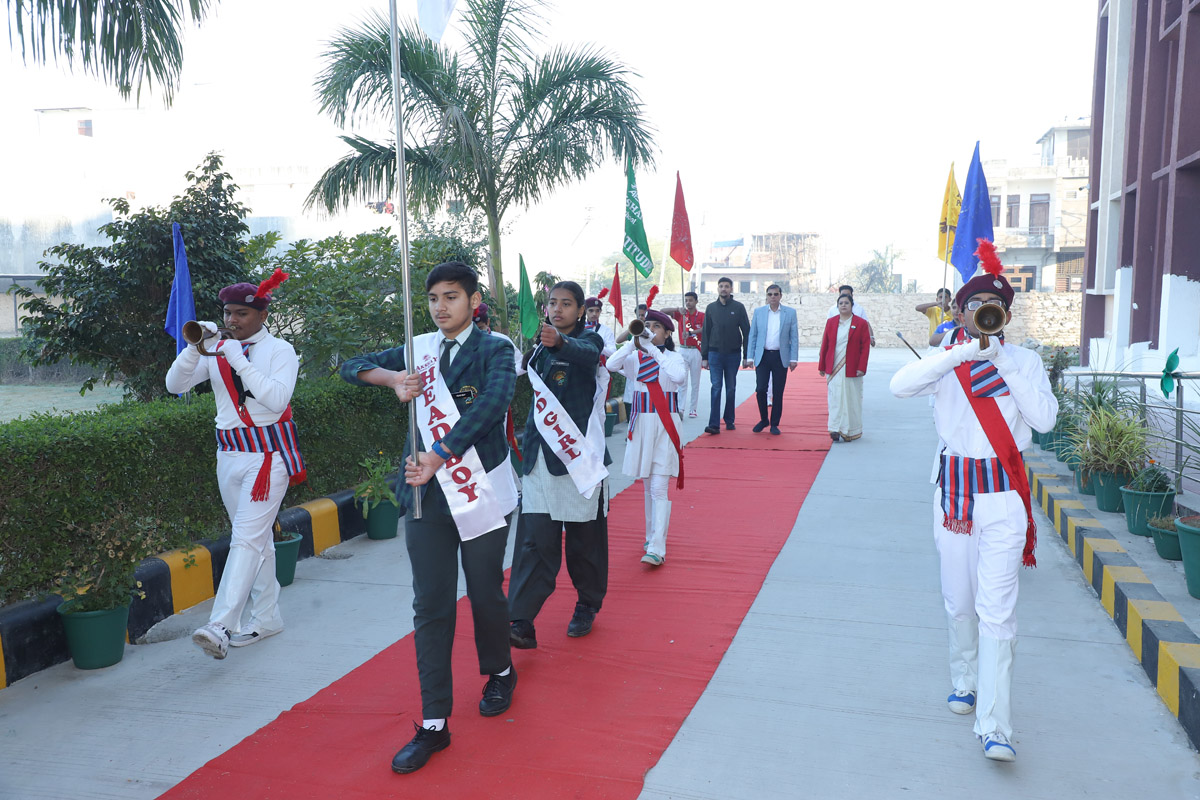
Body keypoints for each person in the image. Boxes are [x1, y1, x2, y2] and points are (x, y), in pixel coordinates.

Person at [338, 261, 519, 775]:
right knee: (431, 605)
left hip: (480, 491)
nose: (441, 307)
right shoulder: (417, 347)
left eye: (452, 297)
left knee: (484, 592)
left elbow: (492, 406)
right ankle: (435, 723)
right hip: (426, 498)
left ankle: (500, 670)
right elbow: (350, 366)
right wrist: (392, 378)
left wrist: (440, 453)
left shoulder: (496, 348)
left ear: (474, 300)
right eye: (434, 298)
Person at [889, 242, 1057, 763]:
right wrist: (959, 354)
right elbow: (898, 386)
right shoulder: (948, 360)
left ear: (1006, 314)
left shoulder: (1024, 361)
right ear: (960, 313)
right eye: (976, 304)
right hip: (955, 500)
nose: (986, 311)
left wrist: (1002, 360)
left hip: (1003, 499)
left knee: (997, 612)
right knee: (959, 602)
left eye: (995, 305)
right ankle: (964, 678)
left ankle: (995, 726)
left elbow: (1044, 420)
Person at [167, 271, 305, 660]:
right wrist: (196, 347)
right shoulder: (218, 349)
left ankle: (221, 624)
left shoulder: (280, 350)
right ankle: (267, 617)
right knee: (255, 541)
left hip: (267, 457)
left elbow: (276, 400)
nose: (232, 320)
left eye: (241, 313)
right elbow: (175, 386)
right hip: (228, 454)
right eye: (228, 313)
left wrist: (237, 360)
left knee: (245, 538)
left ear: (263, 315)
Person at [509, 281, 612, 649]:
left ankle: (587, 604)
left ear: (581, 310)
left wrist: (561, 342)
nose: (557, 309)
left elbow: (588, 353)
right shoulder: (539, 348)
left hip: (578, 459)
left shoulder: (590, 340)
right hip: (539, 459)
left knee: (585, 544)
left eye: (567, 304)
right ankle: (521, 619)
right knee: (534, 542)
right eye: (553, 303)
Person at [606, 310, 686, 566]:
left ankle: (657, 548)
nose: (649, 330)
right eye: (646, 325)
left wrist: (653, 350)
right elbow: (611, 365)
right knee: (648, 485)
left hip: (665, 425)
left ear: (668, 333)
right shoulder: (635, 358)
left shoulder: (673, 357)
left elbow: (679, 378)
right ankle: (652, 536)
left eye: (655, 326)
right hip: (641, 426)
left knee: (659, 486)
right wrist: (633, 342)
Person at [745, 285, 799, 435]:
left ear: (781, 296)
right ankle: (764, 419)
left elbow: (794, 337)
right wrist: (750, 356)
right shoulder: (759, 312)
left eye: (776, 294)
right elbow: (753, 335)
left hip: (780, 356)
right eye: (770, 294)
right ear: (766, 296)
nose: (773, 297)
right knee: (760, 389)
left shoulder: (790, 313)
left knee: (778, 391)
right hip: (763, 355)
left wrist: (793, 358)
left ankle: (775, 423)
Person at [700, 277, 750, 435]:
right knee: (716, 388)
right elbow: (706, 332)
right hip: (714, 354)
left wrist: (746, 355)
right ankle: (714, 424)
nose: (724, 289)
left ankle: (729, 420)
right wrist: (704, 356)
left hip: (733, 355)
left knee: (731, 389)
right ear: (718, 288)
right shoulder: (711, 308)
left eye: (727, 286)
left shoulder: (739, 307)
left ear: (731, 289)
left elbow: (746, 332)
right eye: (721, 286)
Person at [819, 293, 870, 442]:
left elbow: (865, 347)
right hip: (834, 367)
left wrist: (861, 367)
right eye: (840, 303)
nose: (843, 305)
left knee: (850, 398)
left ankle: (850, 430)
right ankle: (835, 428)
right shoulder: (831, 322)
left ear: (852, 305)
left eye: (846, 303)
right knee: (835, 398)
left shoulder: (861, 323)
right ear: (837, 306)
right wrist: (822, 365)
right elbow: (825, 344)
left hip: (852, 367)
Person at [659, 292, 704, 418]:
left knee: (695, 382)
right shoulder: (682, 315)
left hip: (696, 350)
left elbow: (705, 328)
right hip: (683, 350)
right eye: (686, 300)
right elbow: (662, 311)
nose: (688, 303)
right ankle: (680, 408)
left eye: (691, 300)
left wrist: (691, 333)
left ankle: (693, 409)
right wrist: (677, 309)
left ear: (696, 301)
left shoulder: (701, 315)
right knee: (682, 380)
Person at [615, 303, 649, 418]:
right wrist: (631, 328)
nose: (641, 317)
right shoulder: (634, 330)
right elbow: (619, 340)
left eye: (643, 315)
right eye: (639, 315)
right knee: (630, 393)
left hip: (646, 365)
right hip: (634, 364)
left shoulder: (649, 330)